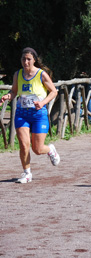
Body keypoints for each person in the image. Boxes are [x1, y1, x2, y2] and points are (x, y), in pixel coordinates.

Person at [1, 48, 60, 183]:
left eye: (28, 59)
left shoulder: (41, 74)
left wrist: (43, 102)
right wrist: (8, 96)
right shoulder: (18, 74)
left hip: (39, 114)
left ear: (34, 60)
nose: (25, 61)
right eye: (23, 59)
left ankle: (50, 149)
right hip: (22, 114)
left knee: (37, 149)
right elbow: (14, 91)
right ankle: (27, 173)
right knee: (23, 144)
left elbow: (53, 92)